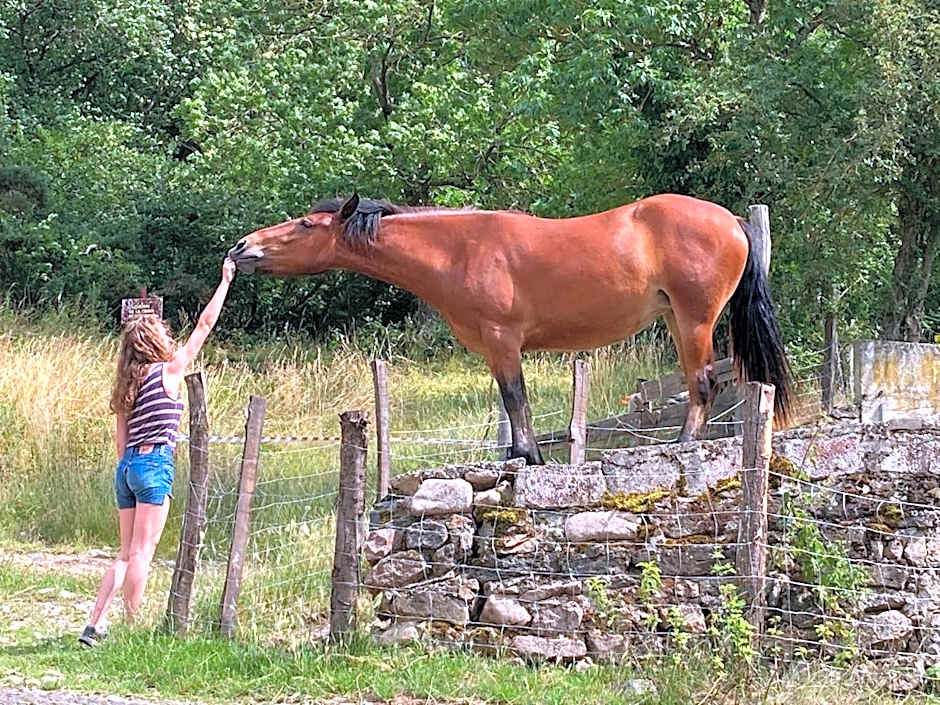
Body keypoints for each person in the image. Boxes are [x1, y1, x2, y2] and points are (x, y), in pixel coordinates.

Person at [78, 258, 236, 647]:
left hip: (127, 466)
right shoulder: (169, 371)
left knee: (124, 553)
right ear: (156, 342)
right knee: (142, 554)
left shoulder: (125, 387)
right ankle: (131, 629)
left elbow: (120, 444)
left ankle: (94, 624)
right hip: (154, 462)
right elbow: (204, 325)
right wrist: (225, 282)